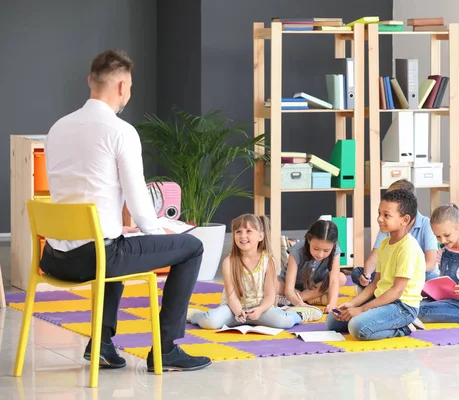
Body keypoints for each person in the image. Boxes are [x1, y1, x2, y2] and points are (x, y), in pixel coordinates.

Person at [41, 49, 211, 372]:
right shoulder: (120, 132)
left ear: (90, 81)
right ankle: (167, 348)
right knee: (191, 248)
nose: (128, 94)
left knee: (116, 240)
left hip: (55, 257)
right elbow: (140, 207)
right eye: (129, 87)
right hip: (96, 258)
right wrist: (160, 235)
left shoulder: (57, 129)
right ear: (122, 87)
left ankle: (102, 344)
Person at [188, 214, 322, 328]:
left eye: (248, 231)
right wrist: (239, 312)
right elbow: (231, 295)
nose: (243, 236)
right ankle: (193, 315)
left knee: (284, 322)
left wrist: (260, 310)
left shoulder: (268, 261)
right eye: (238, 232)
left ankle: (298, 314)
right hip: (234, 310)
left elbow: (270, 296)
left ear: (260, 236)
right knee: (210, 322)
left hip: (260, 308)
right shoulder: (229, 261)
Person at [326, 189, 426, 340]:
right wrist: (352, 304)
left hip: (402, 307)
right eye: (379, 213)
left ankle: (403, 328)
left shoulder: (408, 247)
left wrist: (361, 310)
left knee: (357, 328)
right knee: (333, 321)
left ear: (404, 220)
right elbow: (375, 283)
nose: (379, 219)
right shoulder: (385, 243)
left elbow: (396, 292)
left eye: (386, 215)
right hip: (382, 300)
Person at [351, 179, 438, 292]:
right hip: (392, 274)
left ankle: (378, 292)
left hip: (416, 274)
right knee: (357, 272)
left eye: (392, 197)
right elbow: (374, 257)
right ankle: (379, 291)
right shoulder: (389, 224)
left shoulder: (426, 224)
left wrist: (400, 272)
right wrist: (366, 275)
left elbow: (430, 264)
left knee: (432, 279)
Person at [276, 220, 346, 314]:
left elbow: (334, 280)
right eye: (316, 249)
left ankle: (293, 299)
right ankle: (312, 299)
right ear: (309, 240)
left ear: (333, 245)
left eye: (326, 251)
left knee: (341, 278)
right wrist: (301, 305)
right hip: (293, 287)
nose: (320, 254)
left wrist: (332, 304)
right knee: (273, 285)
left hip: (316, 286)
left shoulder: (336, 250)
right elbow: (289, 289)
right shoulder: (296, 252)